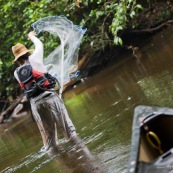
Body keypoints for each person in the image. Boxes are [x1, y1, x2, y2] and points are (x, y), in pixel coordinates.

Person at [12, 31, 77, 151]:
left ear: (17, 60)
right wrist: (31, 36)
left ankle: (62, 163)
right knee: (70, 132)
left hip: (36, 103)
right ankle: (83, 160)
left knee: (51, 142)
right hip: (49, 96)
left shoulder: (16, 73)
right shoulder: (35, 58)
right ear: (27, 52)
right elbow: (39, 45)